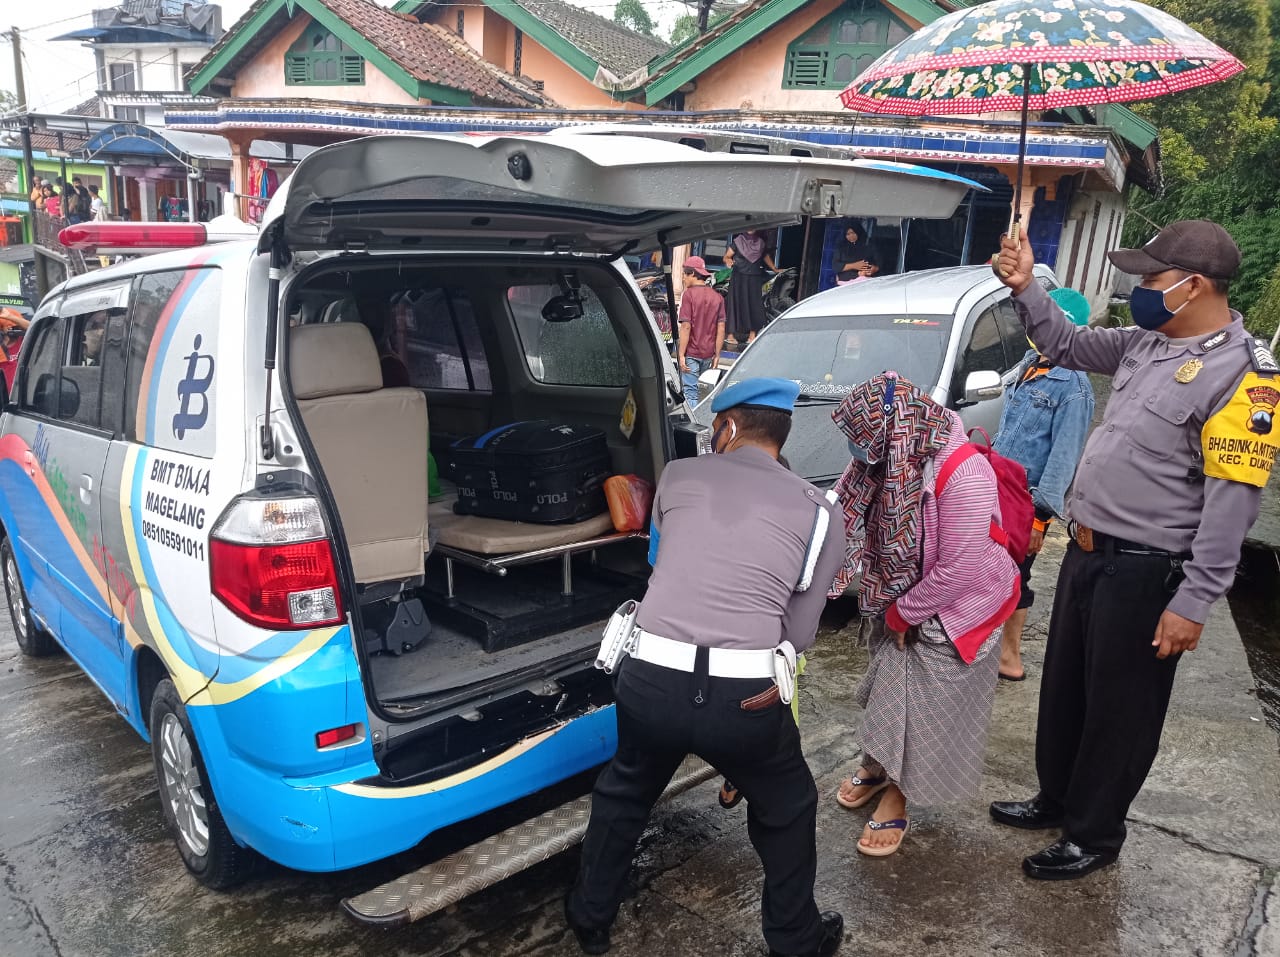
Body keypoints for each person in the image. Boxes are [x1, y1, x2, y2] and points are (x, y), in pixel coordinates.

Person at [988, 220, 1278, 880]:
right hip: (1089, 552)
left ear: (1193, 285)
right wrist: (1027, 285)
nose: (1141, 289)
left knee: (1121, 710)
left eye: (1152, 278)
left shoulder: (1247, 377)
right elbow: (1064, 342)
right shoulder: (1146, 341)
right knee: (1067, 690)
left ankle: (1094, 833)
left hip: (1149, 571)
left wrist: (1194, 601)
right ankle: (1057, 798)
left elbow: (1233, 503)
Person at [567, 378, 846, 957]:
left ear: (728, 427)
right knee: (787, 806)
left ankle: (590, 919)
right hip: (744, 700)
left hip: (650, 680)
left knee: (626, 790)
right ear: (782, 433)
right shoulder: (822, 515)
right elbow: (798, 635)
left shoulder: (677, 477)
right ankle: (796, 941)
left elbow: (662, 564)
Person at [830, 372, 1019, 857]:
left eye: (863, 441)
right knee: (889, 686)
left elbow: (959, 568)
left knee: (927, 708)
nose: (858, 452)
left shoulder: (964, 474)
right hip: (904, 591)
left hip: (961, 605)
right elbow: (846, 503)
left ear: (895, 432)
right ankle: (878, 766)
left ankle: (900, 792)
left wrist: (904, 614)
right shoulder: (898, 454)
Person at [991, 287, 1095, 681]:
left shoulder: (1074, 388)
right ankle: (989, 645)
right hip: (998, 490)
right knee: (993, 569)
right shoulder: (1030, 364)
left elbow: (1064, 459)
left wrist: (1039, 518)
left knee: (1016, 573)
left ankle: (1009, 657)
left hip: (1026, 503)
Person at [676, 255, 725, 405]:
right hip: (708, 354)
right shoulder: (717, 297)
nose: (683, 278)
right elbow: (721, 328)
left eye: (685, 274)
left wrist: (681, 354)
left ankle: (692, 420)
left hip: (691, 352)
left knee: (690, 393)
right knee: (701, 393)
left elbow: (686, 326)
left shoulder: (688, 295)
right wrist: (717, 355)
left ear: (692, 274)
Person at [726, 230, 776, 346]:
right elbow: (727, 256)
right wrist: (728, 260)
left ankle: (752, 336)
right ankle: (730, 336)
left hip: (754, 278)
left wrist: (774, 268)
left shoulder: (761, 243)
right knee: (735, 303)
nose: (751, 228)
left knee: (754, 305)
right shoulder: (738, 241)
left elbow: (765, 256)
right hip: (738, 277)